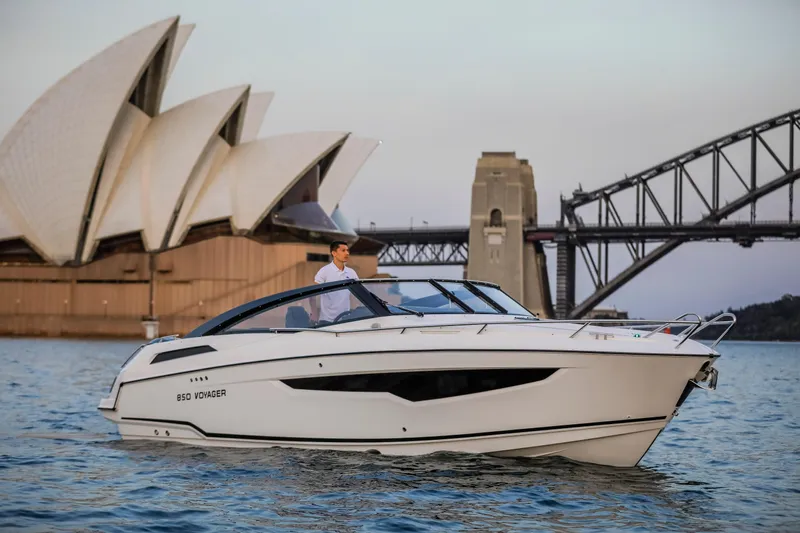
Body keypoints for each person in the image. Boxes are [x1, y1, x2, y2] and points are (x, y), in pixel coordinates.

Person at [312, 241, 359, 323]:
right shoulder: (324, 271)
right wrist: (314, 313)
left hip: (345, 319)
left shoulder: (352, 273)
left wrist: (355, 312)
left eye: (347, 250)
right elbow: (312, 294)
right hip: (326, 320)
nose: (347, 253)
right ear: (334, 253)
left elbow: (358, 293)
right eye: (343, 251)